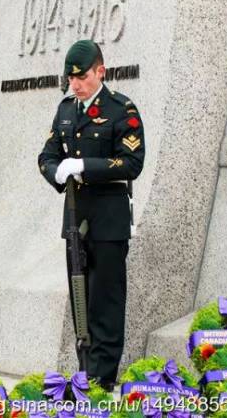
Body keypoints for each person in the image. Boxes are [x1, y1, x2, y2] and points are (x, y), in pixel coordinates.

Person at [38, 39, 145, 391]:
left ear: (100, 71)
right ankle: (86, 370)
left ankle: (103, 377)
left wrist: (85, 164)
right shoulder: (66, 110)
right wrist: (55, 171)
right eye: (71, 79)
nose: (75, 85)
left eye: (81, 77)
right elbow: (48, 154)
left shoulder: (121, 110)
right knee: (80, 296)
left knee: (106, 300)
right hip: (75, 219)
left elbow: (132, 163)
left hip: (109, 221)